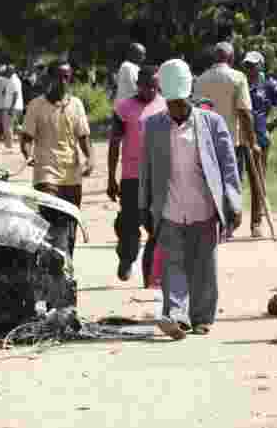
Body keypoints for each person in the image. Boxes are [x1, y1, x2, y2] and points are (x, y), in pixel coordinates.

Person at [139, 59, 241, 339]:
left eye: (181, 103)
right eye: (171, 104)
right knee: (173, 265)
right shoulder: (153, 126)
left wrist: (234, 202)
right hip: (170, 208)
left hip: (205, 207)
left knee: (204, 266)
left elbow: (228, 166)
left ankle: (202, 317)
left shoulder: (212, 123)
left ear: (189, 97)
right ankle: (177, 317)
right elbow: (145, 169)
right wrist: (143, 207)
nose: (176, 109)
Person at [194, 42, 261, 235]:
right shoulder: (238, 77)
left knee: (210, 180)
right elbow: (245, 112)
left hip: (206, 140)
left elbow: (197, 110)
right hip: (231, 141)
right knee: (231, 181)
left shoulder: (201, 80)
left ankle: (215, 222)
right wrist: (253, 141)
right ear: (231, 59)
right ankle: (229, 223)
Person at [107, 65, 166, 284]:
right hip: (132, 177)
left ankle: (150, 276)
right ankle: (126, 258)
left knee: (156, 227)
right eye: (144, 86)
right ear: (138, 85)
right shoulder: (124, 108)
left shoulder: (166, 107)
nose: (149, 90)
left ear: (158, 85)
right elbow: (114, 143)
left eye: (153, 86)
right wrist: (111, 178)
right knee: (129, 224)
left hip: (158, 177)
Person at [20, 62, 94, 210]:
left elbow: (84, 137)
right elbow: (26, 138)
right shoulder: (36, 105)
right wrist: (28, 154)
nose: (62, 82)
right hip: (46, 172)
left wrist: (90, 158)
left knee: (71, 222)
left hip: (72, 175)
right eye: (58, 77)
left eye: (66, 77)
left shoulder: (76, 104)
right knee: (49, 217)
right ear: (49, 79)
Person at [242, 51, 277, 237]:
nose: (249, 69)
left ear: (260, 66)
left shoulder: (269, 85)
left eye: (252, 65)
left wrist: (273, 124)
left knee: (256, 179)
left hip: (259, 138)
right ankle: (230, 222)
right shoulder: (240, 82)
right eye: (246, 65)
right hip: (236, 136)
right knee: (234, 179)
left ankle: (256, 223)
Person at [2, 65, 24, 150]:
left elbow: (15, 94)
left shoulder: (13, 80)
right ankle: (22, 142)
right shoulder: (13, 80)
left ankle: (9, 146)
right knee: (15, 126)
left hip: (12, 106)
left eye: (7, 71)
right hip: (16, 106)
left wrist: (11, 107)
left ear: (11, 71)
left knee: (8, 126)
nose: (5, 73)